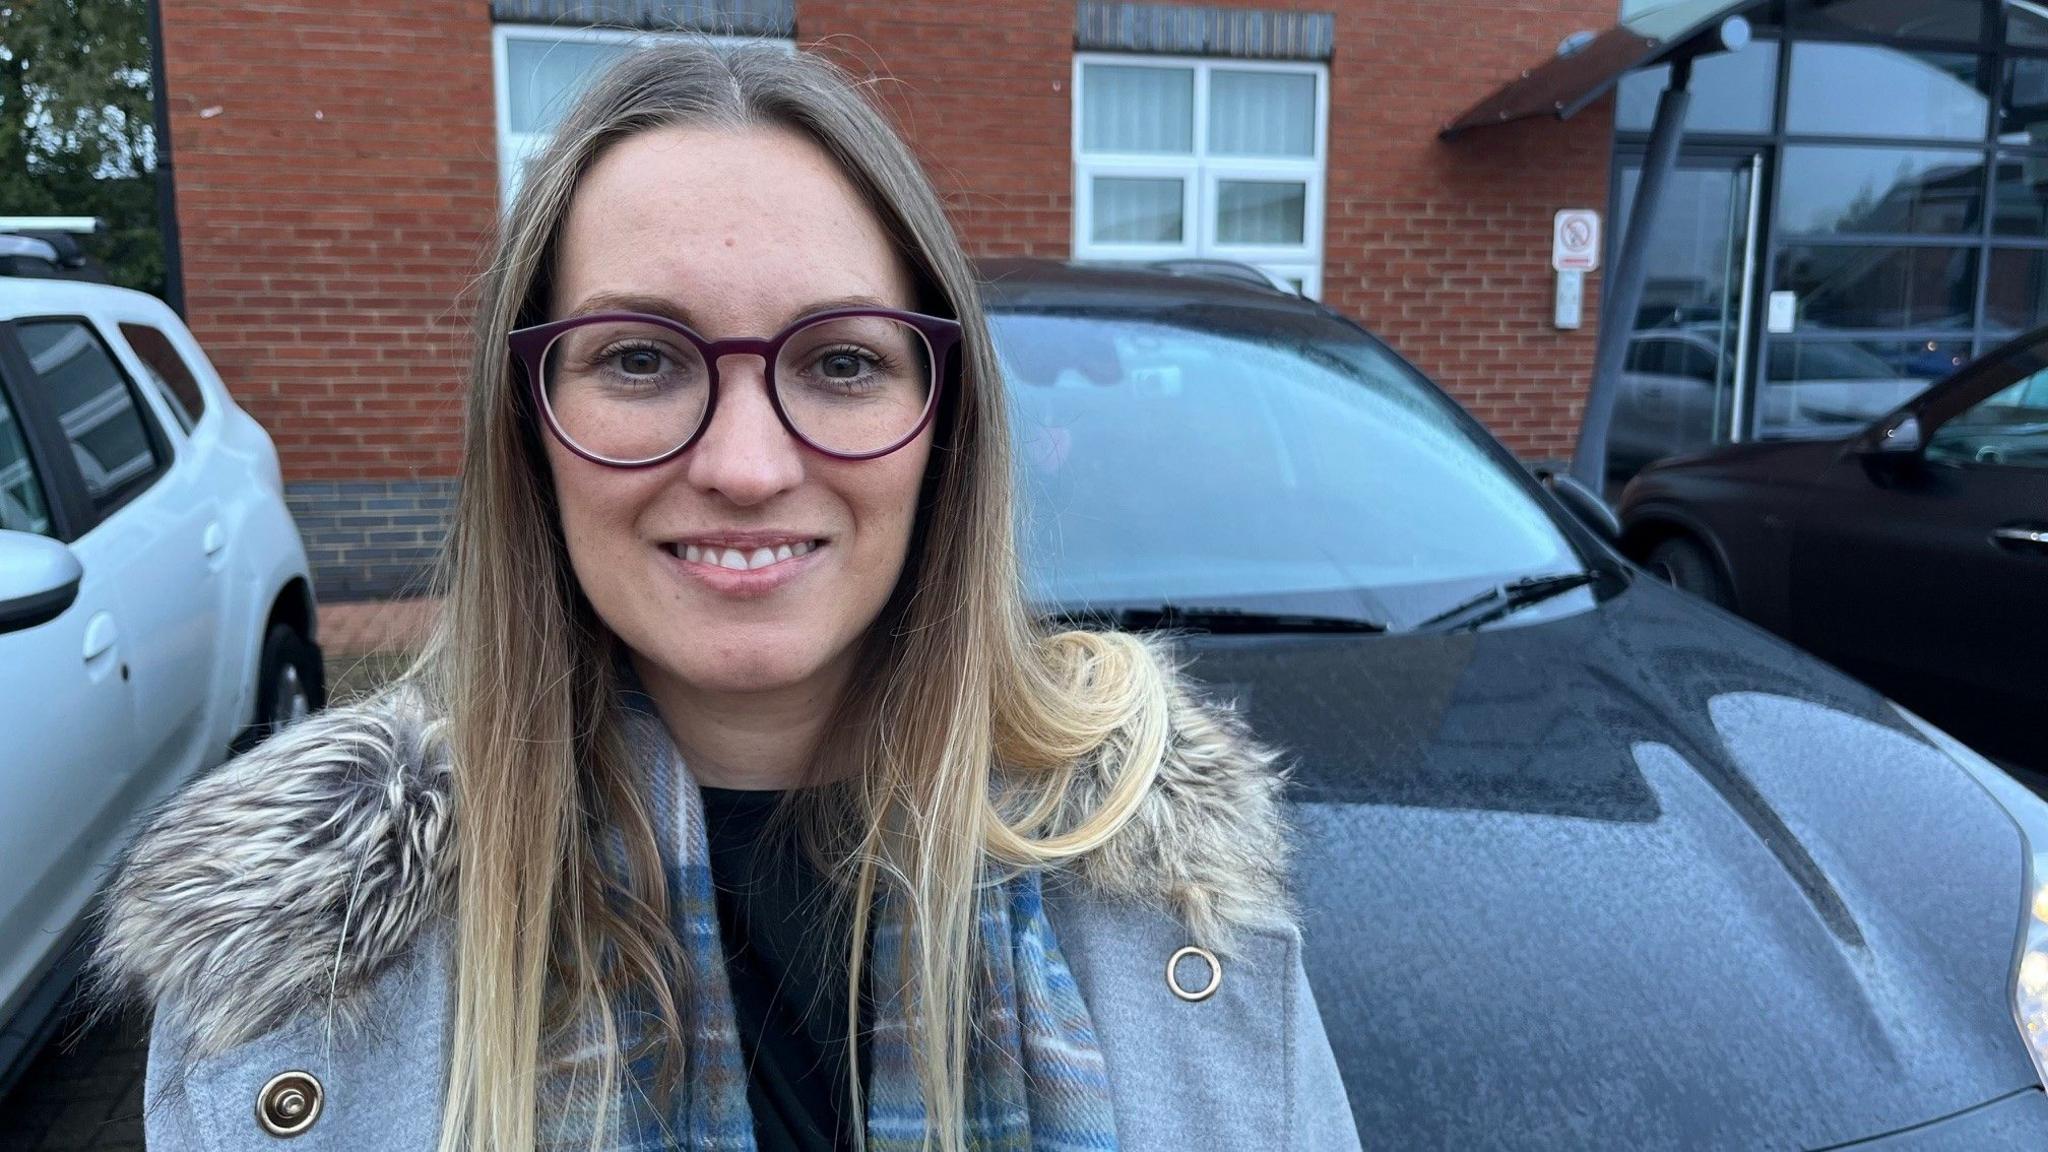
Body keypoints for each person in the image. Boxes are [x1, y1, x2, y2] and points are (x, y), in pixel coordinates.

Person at [89, 40, 1360, 1152]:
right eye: (639, 359)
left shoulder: (1165, 888)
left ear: (944, 426)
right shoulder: (302, 970)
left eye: (843, 361)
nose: (745, 466)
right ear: (529, 425)